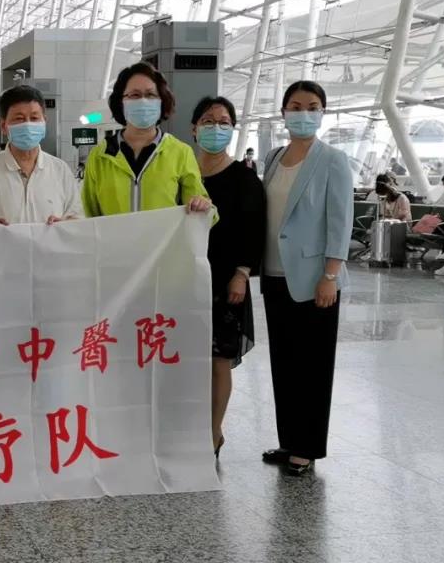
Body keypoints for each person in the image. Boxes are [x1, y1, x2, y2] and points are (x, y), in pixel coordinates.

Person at [260, 81, 353, 477]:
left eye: (312, 106)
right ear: (284, 112)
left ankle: (307, 447)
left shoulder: (332, 159)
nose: (303, 113)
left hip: (316, 278)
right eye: (295, 106)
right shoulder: (273, 157)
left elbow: (340, 221)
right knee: (284, 363)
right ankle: (289, 439)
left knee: (312, 366)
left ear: (322, 112)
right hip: (274, 274)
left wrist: (330, 274)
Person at [191, 96, 266, 458]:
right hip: (184, 277)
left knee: (218, 360)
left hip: (225, 280)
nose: (215, 128)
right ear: (194, 129)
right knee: (186, 357)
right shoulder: (182, 173)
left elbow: (254, 230)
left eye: (223, 122)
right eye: (208, 120)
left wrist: (242, 274)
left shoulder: (243, 178)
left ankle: (213, 432)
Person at [81, 61, 214, 218]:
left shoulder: (180, 153)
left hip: (164, 236)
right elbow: (87, 215)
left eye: (151, 95)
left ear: (162, 101)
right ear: (121, 102)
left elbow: (200, 212)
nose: (143, 101)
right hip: (112, 236)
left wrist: (203, 205)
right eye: (135, 95)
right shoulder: (100, 156)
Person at [0, 85, 82, 225]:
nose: (28, 125)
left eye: (34, 118)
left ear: (44, 122)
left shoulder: (60, 171)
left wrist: (65, 225)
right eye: (19, 118)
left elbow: (77, 219)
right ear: (3, 126)